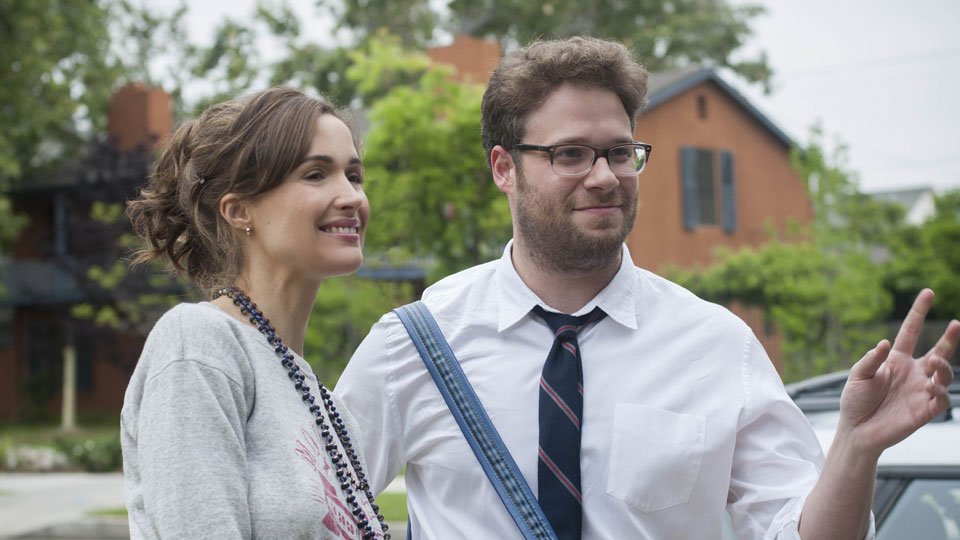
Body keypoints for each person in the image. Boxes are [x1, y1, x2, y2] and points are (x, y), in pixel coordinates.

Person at [335, 37, 958, 539]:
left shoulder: (716, 345)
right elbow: (318, 510)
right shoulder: (415, 343)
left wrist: (855, 446)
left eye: (620, 152)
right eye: (571, 154)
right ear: (505, 168)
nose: (604, 177)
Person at [121, 87, 389, 540]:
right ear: (239, 209)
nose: (351, 197)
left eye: (354, 175)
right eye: (316, 174)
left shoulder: (328, 405)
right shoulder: (200, 345)